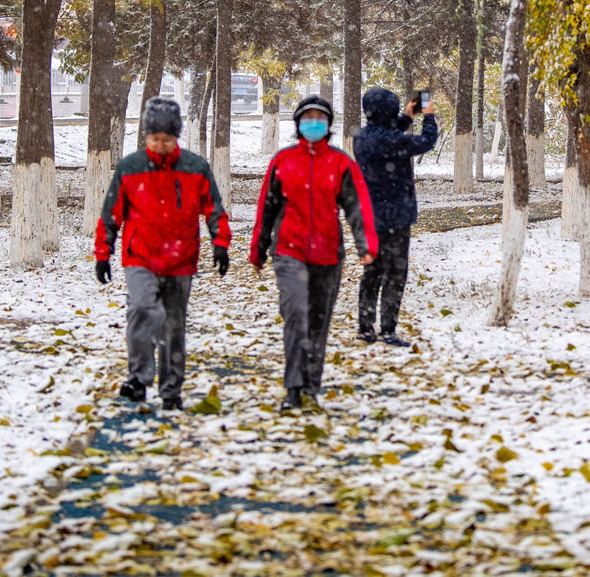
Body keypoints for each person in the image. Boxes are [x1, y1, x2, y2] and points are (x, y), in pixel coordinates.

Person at [95, 96, 231, 411]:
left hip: (180, 260)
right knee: (142, 311)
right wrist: (104, 252)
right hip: (140, 257)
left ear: (176, 138)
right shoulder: (130, 168)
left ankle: (171, 390)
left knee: (174, 326)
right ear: (145, 137)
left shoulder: (196, 168)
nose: (160, 145)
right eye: (154, 139)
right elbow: (110, 214)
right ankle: (138, 379)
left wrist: (220, 243)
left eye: (166, 140)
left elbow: (214, 209)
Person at [249, 95, 377, 413]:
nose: (314, 123)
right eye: (308, 118)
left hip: (328, 255)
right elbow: (267, 206)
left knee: (318, 322)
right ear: (298, 124)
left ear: (328, 125)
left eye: (320, 118)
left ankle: (310, 388)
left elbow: (357, 206)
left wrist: (366, 245)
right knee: (296, 315)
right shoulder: (283, 161)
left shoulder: (340, 163)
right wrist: (258, 249)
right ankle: (293, 388)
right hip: (288, 251)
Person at [352, 88, 438, 346]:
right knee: (395, 274)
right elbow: (427, 141)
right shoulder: (395, 141)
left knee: (372, 272)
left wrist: (406, 118)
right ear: (390, 111)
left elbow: (386, 135)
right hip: (398, 217)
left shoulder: (361, 138)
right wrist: (429, 116)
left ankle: (365, 328)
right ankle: (388, 330)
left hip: (371, 217)